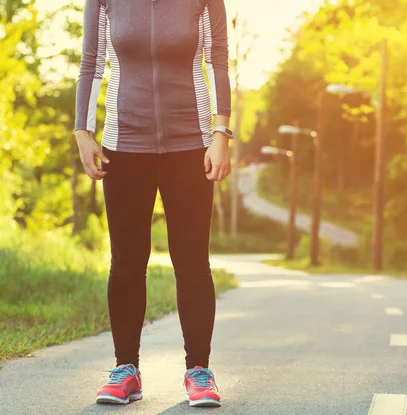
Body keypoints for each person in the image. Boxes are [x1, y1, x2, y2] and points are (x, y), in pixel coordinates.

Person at [74, 0, 233, 408]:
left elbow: (217, 59)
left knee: (192, 262)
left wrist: (221, 132)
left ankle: (199, 371)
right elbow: (91, 60)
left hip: (190, 143)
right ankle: (125, 370)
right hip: (124, 143)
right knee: (126, 262)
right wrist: (83, 130)